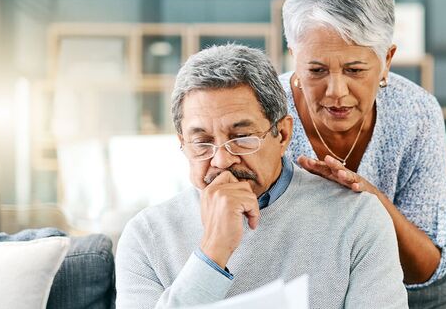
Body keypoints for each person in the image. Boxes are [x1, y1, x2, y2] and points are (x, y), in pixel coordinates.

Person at [115, 44, 408, 309]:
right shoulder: (146, 236)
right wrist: (213, 251)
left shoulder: (357, 219)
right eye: (202, 142)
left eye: (241, 137)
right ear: (182, 144)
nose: (221, 159)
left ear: (282, 134)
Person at [280, 0, 446, 307]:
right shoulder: (266, 112)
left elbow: (425, 270)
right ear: (293, 56)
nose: (336, 90)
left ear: (387, 60)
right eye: (316, 69)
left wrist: (367, 197)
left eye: (355, 69)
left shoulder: (416, 114)